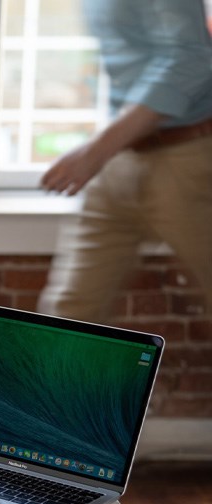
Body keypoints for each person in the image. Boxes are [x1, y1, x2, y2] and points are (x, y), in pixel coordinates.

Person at [38, 0, 212, 323]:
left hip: (190, 160)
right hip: (120, 159)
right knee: (67, 315)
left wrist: (95, 151)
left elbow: (191, 57)